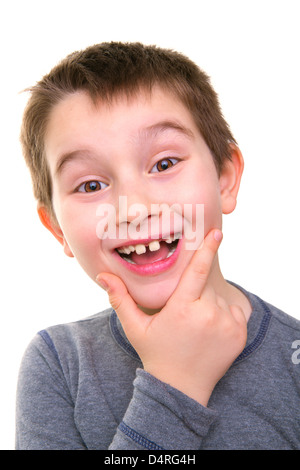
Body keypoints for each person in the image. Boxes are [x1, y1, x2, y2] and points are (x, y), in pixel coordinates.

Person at [16, 42, 300, 450]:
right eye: (91, 185)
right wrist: (174, 386)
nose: (133, 209)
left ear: (224, 177)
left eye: (164, 164)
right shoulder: (59, 365)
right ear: (57, 228)